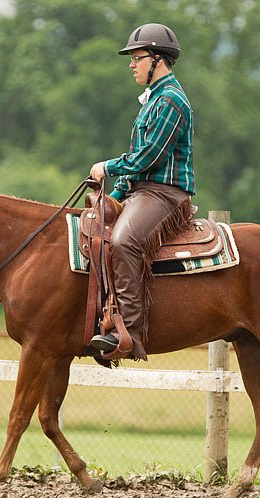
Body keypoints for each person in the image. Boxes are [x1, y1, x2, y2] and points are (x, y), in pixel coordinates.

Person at [89, 23, 196, 361]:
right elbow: (139, 163)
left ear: (158, 60)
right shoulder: (152, 101)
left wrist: (108, 167)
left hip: (164, 195)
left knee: (124, 241)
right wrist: (116, 196)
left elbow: (149, 156)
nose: (131, 65)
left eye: (137, 58)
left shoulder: (171, 100)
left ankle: (128, 334)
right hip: (141, 191)